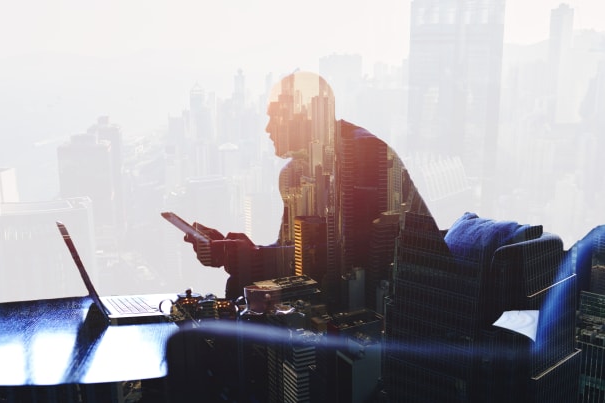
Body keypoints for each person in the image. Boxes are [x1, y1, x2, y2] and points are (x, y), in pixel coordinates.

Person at [183, 71, 435, 303]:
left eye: (274, 116)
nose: (268, 128)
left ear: (305, 115)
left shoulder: (363, 153)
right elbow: (296, 251)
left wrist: (255, 258)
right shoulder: (294, 173)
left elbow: (353, 258)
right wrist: (234, 251)